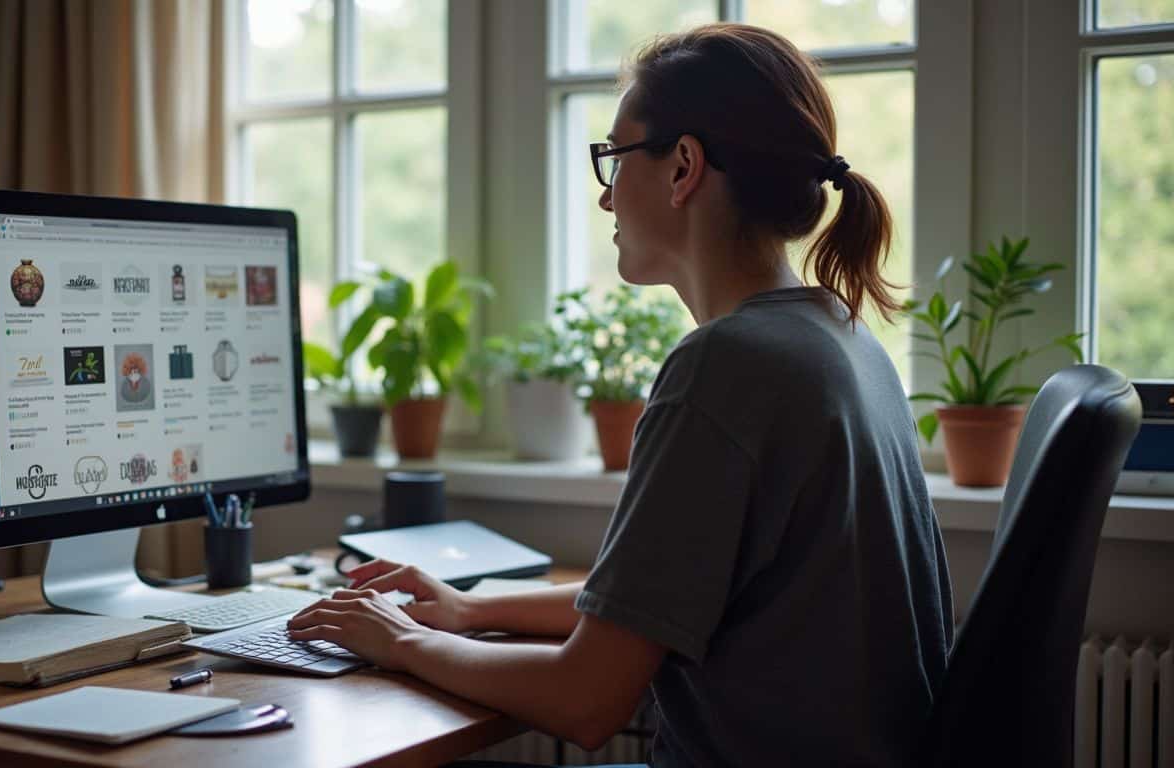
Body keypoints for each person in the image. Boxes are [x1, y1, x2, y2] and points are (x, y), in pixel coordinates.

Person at [289, 23, 953, 767]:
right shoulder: (840, 335)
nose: (606, 200)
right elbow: (646, 616)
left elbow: (586, 698)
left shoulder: (727, 367)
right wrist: (471, 608)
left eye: (612, 159)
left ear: (683, 168)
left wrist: (403, 639)